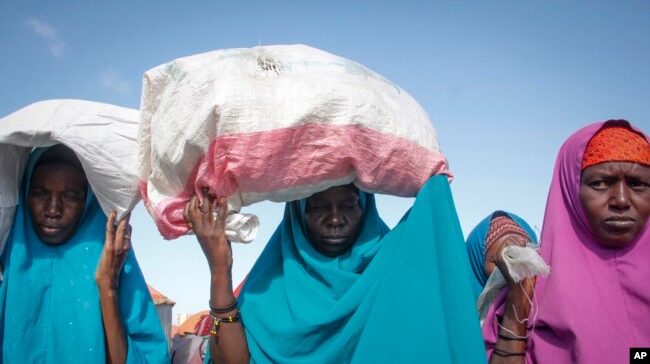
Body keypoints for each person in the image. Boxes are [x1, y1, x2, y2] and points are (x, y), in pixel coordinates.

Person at [186, 175, 487, 363]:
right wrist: (219, 269)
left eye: (348, 205)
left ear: (366, 208)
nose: (334, 219)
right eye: (318, 207)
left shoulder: (389, 272)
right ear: (297, 213)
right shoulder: (271, 286)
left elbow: (433, 220)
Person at [483, 120, 650, 363]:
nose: (622, 200)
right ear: (570, 192)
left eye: (638, 184)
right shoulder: (532, 284)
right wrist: (517, 307)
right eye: (600, 183)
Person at [0, 144, 169, 363]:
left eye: (69, 196)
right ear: (25, 195)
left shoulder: (115, 261)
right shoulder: (8, 258)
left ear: (88, 201)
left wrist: (108, 286)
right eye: (40, 193)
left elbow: (149, 357)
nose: (53, 210)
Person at [465, 211, 537, 299]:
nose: (514, 265)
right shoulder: (464, 311)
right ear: (479, 269)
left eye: (523, 253)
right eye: (501, 258)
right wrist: (516, 297)